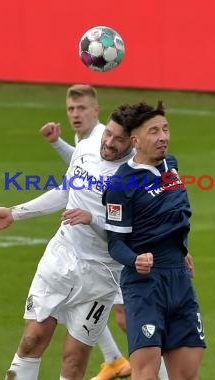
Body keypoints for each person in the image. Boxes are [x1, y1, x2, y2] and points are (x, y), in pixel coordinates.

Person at [0, 105, 135, 380]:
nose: (109, 143)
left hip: (102, 275)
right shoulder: (87, 147)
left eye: (119, 139)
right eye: (108, 134)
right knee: (32, 339)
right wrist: (15, 214)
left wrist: (91, 219)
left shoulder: (134, 176)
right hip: (62, 255)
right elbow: (65, 191)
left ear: (133, 141)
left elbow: (124, 234)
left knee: (74, 360)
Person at [103, 101, 206, 379]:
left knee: (187, 374)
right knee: (146, 374)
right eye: (154, 131)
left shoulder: (171, 167)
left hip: (179, 281)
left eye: (165, 129)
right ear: (135, 140)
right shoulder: (120, 187)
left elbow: (172, 215)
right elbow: (115, 244)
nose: (163, 137)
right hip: (145, 285)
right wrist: (135, 259)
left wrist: (181, 249)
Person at [39, 84, 136, 380]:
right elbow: (82, 167)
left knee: (126, 318)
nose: (76, 114)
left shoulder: (104, 138)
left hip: (110, 249)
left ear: (97, 110)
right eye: (71, 109)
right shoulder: (87, 139)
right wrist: (58, 143)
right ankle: (115, 360)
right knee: (78, 303)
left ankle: (155, 368)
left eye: (82, 108)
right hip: (92, 249)